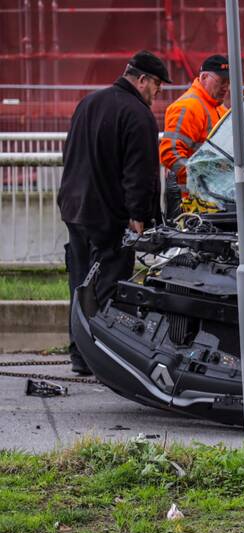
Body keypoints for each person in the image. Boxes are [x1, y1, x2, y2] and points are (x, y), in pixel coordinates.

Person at [57, 50, 168, 375]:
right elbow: (140, 172)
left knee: (79, 281)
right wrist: (139, 216)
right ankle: (99, 356)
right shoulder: (137, 114)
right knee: (108, 287)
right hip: (110, 216)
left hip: (75, 209)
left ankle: (79, 355)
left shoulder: (89, 103)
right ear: (142, 80)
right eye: (157, 85)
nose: (157, 93)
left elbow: (70, 152)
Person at [160, 54, 230, 214]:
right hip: (191, 203)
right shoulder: (188, 107)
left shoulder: (220, 109)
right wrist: (199, 178)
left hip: (213, 200)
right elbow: (170, 153)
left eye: (228, 82)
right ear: (204, 77)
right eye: (221, 81)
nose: (225, 87)